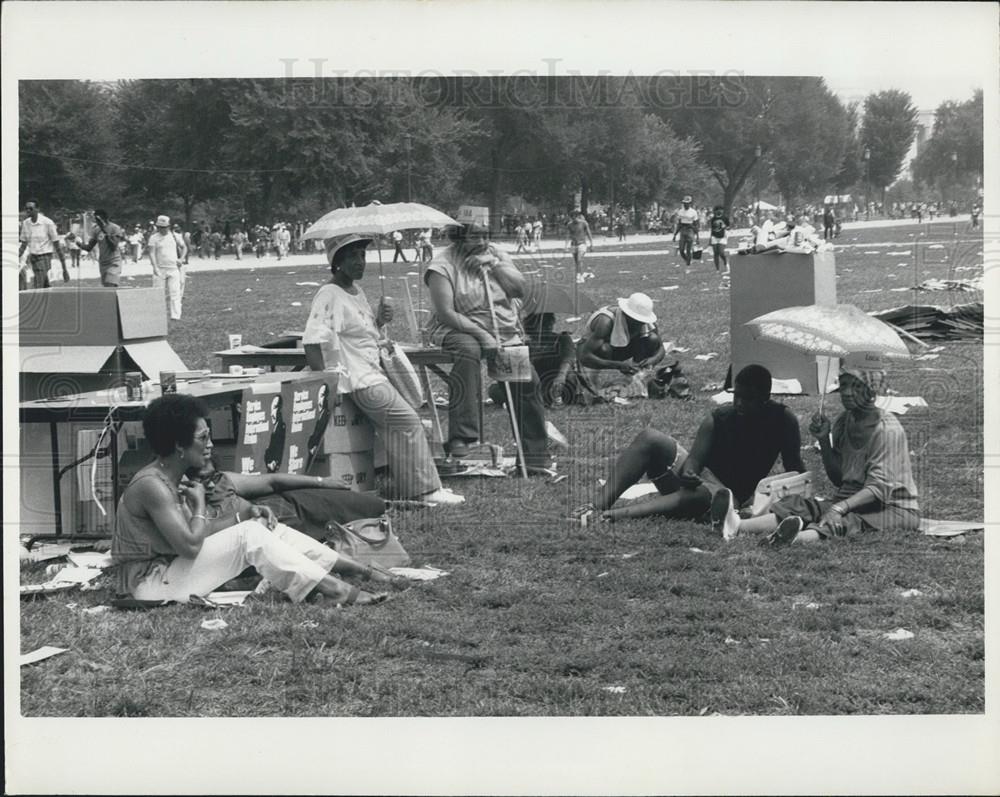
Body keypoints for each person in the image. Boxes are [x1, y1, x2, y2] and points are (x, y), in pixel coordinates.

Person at [111, 393, 391, 606]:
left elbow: (200, 536)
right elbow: (189, 546)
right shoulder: (152, 486)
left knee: (264, 528)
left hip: (167, 572)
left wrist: (247, 511)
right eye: (203, 437)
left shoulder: (171, 477)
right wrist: (198, 508)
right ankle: (334, 589)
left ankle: (358, 570)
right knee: (250, 535)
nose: (210, 444)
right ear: (178, 446)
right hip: (147, 585)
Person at [303, 234, 464, 505]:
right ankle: (424, 491)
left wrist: (378, 320)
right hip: (358, 380)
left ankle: (423, 486)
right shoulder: (329, 294)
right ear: (336, 262)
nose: (360, 262)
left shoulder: (356, 291)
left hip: (372, 372)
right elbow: (312, 341)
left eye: (362, 255)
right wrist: (327, 386)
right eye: (352, 256)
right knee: (407, 422)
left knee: (404, 423)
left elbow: (362, 337)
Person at [569, 365, 805, 526]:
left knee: (705, 495)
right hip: (702, 481)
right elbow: (693, 460)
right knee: (649, 437)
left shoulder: (783, 420)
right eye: (737, 396)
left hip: (728, 498)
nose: (740, 403)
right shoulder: (719, 418)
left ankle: (612, 516)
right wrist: (691, 471)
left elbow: (795, 468)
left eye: (748, 399)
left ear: (766, 399)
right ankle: (596, 505)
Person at [724, 354, 919, 547]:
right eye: (844, 385)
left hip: (893, 507)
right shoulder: (844, 422)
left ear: (872, 390)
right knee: (799, 505)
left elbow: (878, 489)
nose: (848, 393)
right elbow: (839, 478)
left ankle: (792, 539)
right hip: (850, 499)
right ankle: (738, 525)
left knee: (848, 521)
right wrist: (824, 440)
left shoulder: (887, 430)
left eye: (857, 386)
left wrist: (839, 507)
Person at [424, 221, 550, 468]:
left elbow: (519, 290)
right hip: (457, 327)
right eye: (475, 237)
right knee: (469, 350)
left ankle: (534, 456)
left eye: (485, 236)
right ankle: (464, 439)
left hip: (501, 329)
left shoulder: (495, 254)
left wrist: (494, 267)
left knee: (527, 381)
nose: (482, 242)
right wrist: (482, 336)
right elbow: (446, 312)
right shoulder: (442, 265)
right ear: (459, 238)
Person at [189, 455, 387, 541]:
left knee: (371, 505)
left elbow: (272, 481)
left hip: (291, 505)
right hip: (276, 531)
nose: (212, 485)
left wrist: (321, 481)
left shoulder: (224, 480)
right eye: (203, 479)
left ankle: (389, 508)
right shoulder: (187, 506)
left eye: (213, 477)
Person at [576, 292, 666, 396]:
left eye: (641, 321)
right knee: (604, 349)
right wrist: (616, 365)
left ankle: (637, 377)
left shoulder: (647, 323)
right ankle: (592, 381)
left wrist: (651, 361)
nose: (638, 324)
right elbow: (585, 356)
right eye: (635, 320)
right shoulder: (605, 321)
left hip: (622, 349)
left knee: (652, 339)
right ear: (626, 315)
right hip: (594, 351)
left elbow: (661, 349)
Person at [19, 200, 68, 289]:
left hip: (45, 257)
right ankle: (50, 300)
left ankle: (37, 301)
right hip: (33, 258)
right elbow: (23, 245)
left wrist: (64, 269)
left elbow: (57, 246)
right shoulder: (26, 223)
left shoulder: (48, 223)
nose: (28, 210)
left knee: (38, 284)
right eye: (26, 209)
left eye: (31, 208)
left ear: (37, 209)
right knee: (44, 285)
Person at [147, 215, 189, 321]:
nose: (161, 229)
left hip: (173, 268)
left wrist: (181, 259)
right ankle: (158, 315)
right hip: (160, 269)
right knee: (158, 293)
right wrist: (155, 267)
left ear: (168, 226)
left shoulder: (175, 236)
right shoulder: (154, 238)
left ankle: (175, 315)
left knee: (175, 292)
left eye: (164, 227)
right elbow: (151, 253)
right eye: (159, 227)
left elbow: (184, 247)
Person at [77, 208, 124, 287]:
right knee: (107, 287)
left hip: (114, 261)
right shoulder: (96, 230)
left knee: (110, 284)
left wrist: (104, 230)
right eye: (95, 219)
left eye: (97, 219)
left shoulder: (115, 228)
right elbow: (89, 247)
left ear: (104, 218)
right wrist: (77, 243)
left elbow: (113, 246)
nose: (96, 221)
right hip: (103, 262)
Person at [565, 210, 594, 281]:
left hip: (582, 244)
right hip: (573, 245)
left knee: (579, 260)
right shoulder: (569, 225)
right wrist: (566, 245)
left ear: (577, 216)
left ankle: (580, 277)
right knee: (576, 262)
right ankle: (582, 274)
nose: (573, 219)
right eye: (572, 217)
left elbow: (589, 233)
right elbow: (568, 235)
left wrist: (591, 244)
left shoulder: (584, 223)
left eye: (574, 217)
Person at [672, 195, 699, 266]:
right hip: (683, 230)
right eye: (684, 203)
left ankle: (688, 264)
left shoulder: (693, 212)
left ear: (690, 203)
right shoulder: (680, 212)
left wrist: (697, 237)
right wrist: (675, 234)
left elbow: (696, 225)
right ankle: (688, 260)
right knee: (681, 250)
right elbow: (679, 224)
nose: (685, 205)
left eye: (687, 203)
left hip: (690, 230)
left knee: (688, 250)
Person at [708, 206, 730, 276]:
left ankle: (726, 264)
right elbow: (712, 229)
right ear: (715, 211)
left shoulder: (725, 218)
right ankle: (717, 269)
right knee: (715, 253)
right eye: (717, 210)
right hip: (714, 237)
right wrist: (710, 239)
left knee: (721, 252)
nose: (719, 211)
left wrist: (725, 227)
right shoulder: (713, 219)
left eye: (721, 210)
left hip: (722, 237)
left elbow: (729, 227)